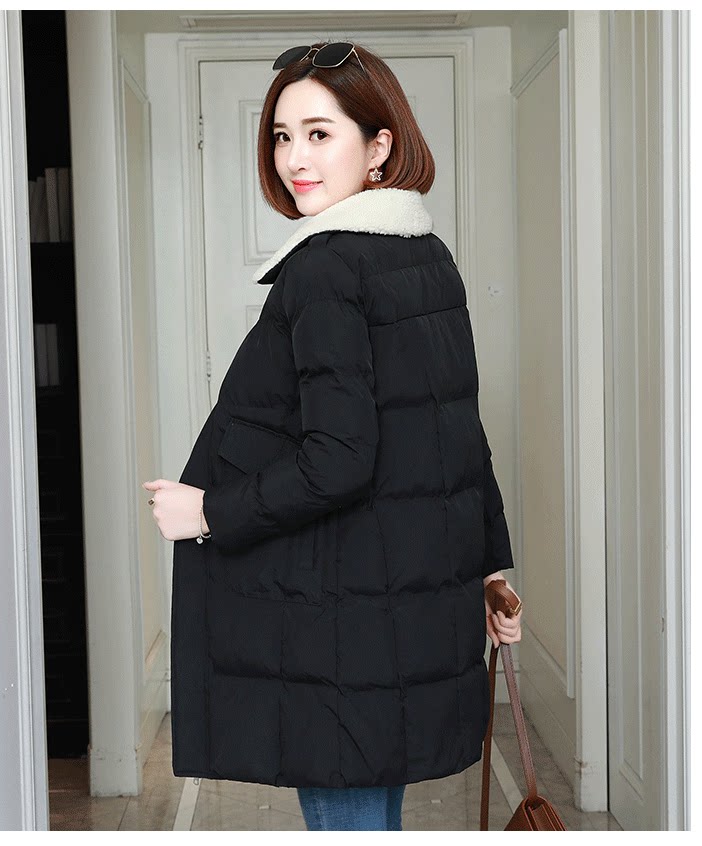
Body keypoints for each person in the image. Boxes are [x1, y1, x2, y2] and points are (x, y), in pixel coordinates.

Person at [143, 40, 522, 832]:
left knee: (349, 815)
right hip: (404, 597)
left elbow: (340, 460)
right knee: (372, 809)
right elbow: (457, 431)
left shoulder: (326, 270)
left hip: (343, 616)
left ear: (379, 145)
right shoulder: (426, 256)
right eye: (283, 135)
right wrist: (491, 568)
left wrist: (209, 511)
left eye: (320, 133)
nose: (294, 159)